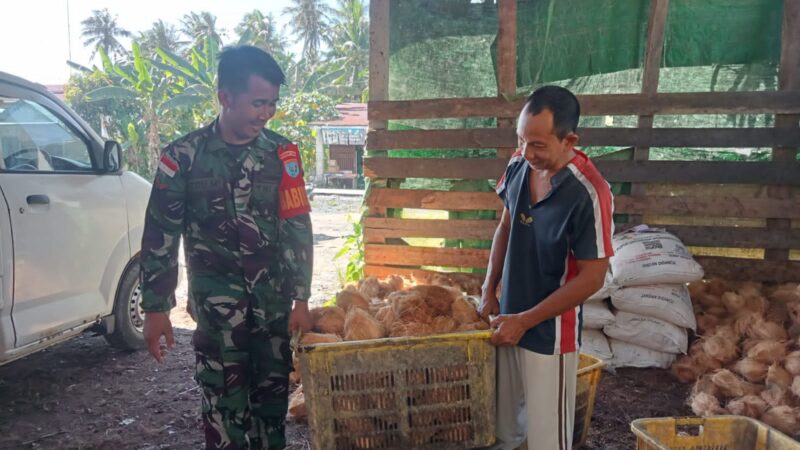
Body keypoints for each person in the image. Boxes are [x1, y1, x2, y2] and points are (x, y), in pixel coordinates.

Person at [139, 45, 313, 450]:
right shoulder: (183, 158)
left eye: (272, 103)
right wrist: (155, 308)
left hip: (272, 313)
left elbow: (297, 229)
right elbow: (160, 234)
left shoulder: (282, 154)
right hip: (218, 320)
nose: (266, 113)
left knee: (271, 414)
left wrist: (301, 299)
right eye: (257, 103)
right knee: (222, 413)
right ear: (225, 97)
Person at [479, 86, 614, 450]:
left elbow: (593, 277)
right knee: (505, 433)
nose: (526, 152)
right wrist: (488, 290)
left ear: (569, 139)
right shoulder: (518, 165)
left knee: (546, 441)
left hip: (550, 335)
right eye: (522, 140)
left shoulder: (590, 192)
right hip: (505, 321)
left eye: (538, 145)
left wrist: (526, 320)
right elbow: (505, 226)